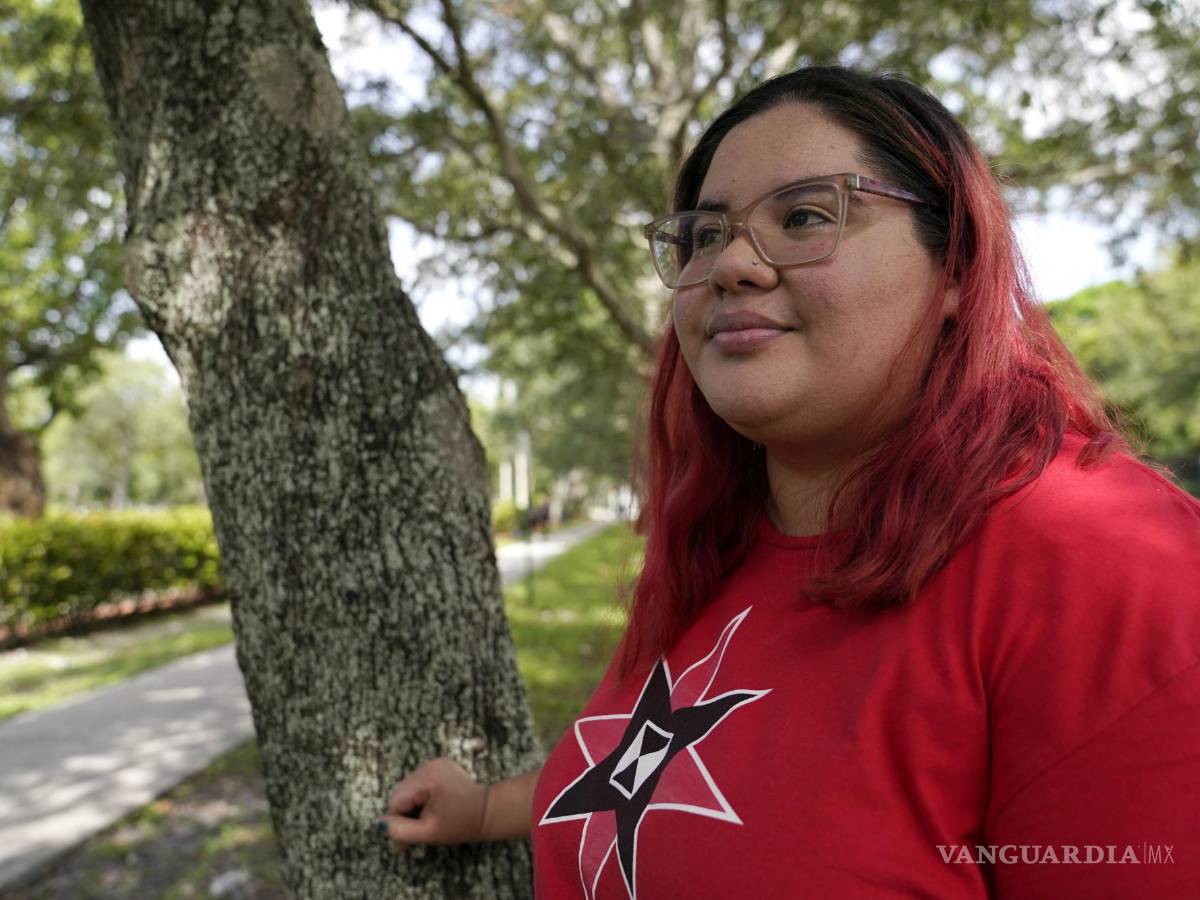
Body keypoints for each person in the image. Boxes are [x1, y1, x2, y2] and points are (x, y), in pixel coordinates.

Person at [380, 66, 1200, 898]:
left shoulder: (1110, 569)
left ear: (955, 264)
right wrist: (488, 811)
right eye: (705, 235)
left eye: (806, 215)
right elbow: (664, 770)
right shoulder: (715, 546)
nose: (731, 263)